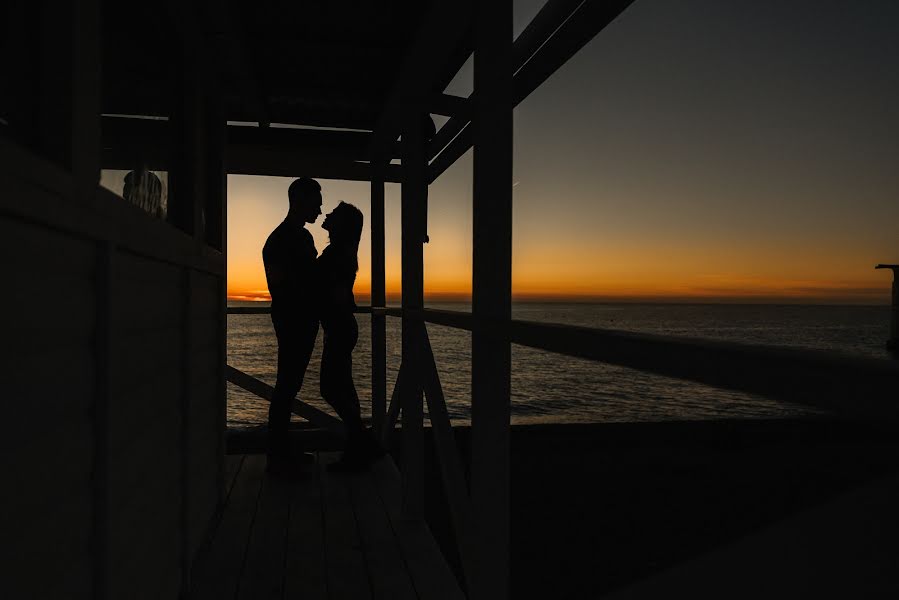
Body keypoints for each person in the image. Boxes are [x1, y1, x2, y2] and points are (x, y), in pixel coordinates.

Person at [262, 177, 322, 476]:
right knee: (287, 386)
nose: (321, 208)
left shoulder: (288, 237)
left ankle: (281, 453)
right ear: (299, 201)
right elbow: (287, 284)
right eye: (316, 201)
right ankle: (278, 459)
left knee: (289, 385)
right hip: (294, 320)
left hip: (295, 318)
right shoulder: (289, 238)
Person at [317, 202, 383, 471]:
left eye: (334, 214)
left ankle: (362, 444)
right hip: (341, 327)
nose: (327, 214)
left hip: (340, 328)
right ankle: (362, 447)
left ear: (341, 224)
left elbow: (331, 291)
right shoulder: (342, 252)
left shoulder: (337, 254)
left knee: (330, 388)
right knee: (342, 388)